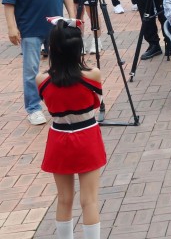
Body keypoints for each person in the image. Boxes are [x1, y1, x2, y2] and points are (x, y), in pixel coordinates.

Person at [36, 19, 106, 239]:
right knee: (89, 200)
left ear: (53, 48)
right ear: (78, 48)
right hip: (87, 135)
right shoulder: (93, 74)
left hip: (59, 137)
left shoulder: (42, 79)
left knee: (64, 198)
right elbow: (97, 102)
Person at [3, 0, 77, 125]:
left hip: (56, 26)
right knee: (31, 70)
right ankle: (33, 108)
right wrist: (12, 27)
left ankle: (60, 103)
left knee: (61, 66)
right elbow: (9, 1)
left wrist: (71, 18)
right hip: (29, 27)